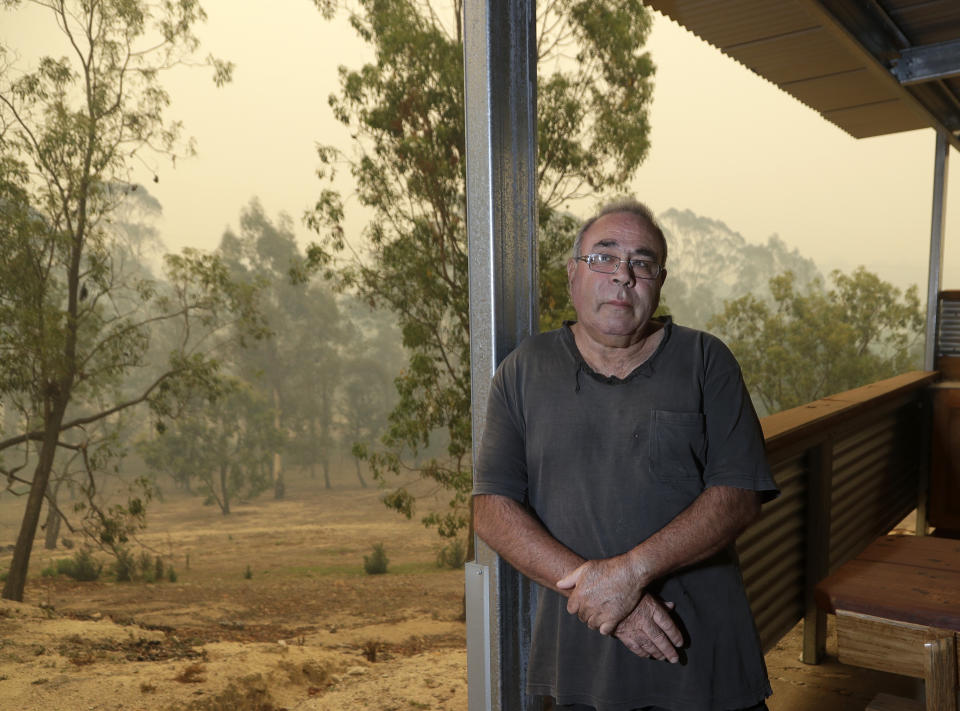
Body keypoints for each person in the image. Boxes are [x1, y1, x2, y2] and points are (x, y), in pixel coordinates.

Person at [472, 199, 779, 711]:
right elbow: (492, 510)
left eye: (642, 262)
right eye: (604, 258)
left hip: (701, 656)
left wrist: (629, 574)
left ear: (659, 282)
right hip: (581, 657)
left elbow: (740, 494)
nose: (623, 276)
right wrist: (607, 596)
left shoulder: (707, 362)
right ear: (573, 274)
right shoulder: (524, 370)